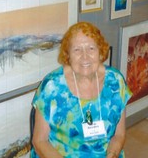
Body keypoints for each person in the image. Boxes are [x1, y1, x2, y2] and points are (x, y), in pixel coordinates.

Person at [31, 22, 133, 158]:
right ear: (68, 55)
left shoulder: (116, 82)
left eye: (91, 48)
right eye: (77, 50)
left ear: (100, 51)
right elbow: (39, 141)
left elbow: (119, 134)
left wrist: (113, 154)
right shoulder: (52, 87)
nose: (85, 56)